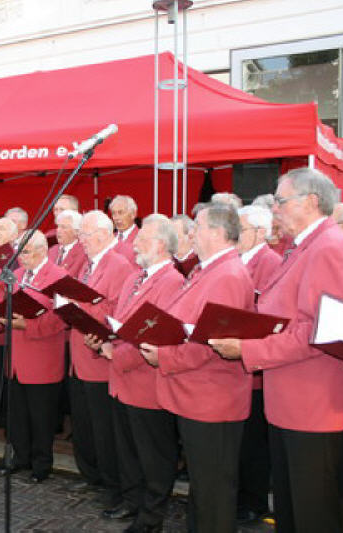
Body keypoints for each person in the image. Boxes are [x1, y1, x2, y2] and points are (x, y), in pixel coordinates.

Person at [210, 168, 343, 533]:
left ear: (310, 201)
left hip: (315, 405)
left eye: (281, 201)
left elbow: (316, 331)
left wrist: (248, 348)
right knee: (294, 509)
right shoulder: (307, 245)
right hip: (295, 400)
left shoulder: (327, 247)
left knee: (315, 513)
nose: (275, 209)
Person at [140, 203, 254, 533]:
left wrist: (165, 357)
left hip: (212, 401)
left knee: (213, 493)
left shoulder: (227, 275)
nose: (191, 234)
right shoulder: (209, 270)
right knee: (204, 490)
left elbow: (210, 343)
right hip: (197, 397)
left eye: (197, 227)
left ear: (217, 233)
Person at [92, 214, 184, 533]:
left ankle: (151, 517)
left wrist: (116, 355)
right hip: (123, 380)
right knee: (128, 450)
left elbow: (156, 335)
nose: (134, 244)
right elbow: (122, 322)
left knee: (153, 456)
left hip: (147, 383)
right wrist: (104, 338)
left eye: (142, 239)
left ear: (160, 244)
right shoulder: (135, 277)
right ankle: (132, 502)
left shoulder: (172, 281)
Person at [0, 231, 67, 483]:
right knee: (18, 414)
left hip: (42, 358)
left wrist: (28, 325)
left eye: (26, 252)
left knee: (41, 417)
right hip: (16, 357)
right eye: (19, 252)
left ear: (43, 250)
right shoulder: (17, 275)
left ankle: (41, 464)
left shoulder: (59, 276)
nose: (21, 257)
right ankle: (20, 457)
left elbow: (60, 318)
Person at [68, 210, 134, 510]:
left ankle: (113, 486)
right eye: (80, 234)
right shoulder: (88, 263)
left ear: (104, 234)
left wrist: (77, 308)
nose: (80, 239)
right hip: (80, 356)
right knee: (86, 424)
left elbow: (117, 310)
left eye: (85, 234)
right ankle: (93, 475)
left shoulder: (118, 264)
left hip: (101, 356)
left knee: (105, 429)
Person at [234, 204, 279, 524]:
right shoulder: (239, 259)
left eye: (242, 229)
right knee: (239, 442)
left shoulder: (269, 262)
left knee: (253, 443)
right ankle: (241, 495)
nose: (235, 235)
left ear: (261, 233)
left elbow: (265, 314)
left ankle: (254, 500)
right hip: (235, 364)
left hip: (254, 370)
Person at [48, 209, 87, 275]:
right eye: (58, 226)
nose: (58, 230)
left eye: (63, 227)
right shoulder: (52, 250)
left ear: (76, 231)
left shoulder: (84, 253)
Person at [109, 195, 140, 264]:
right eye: (113, 213)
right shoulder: (109, 238)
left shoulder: (142, 238)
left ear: (133, 214)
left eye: (120, 213)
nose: (116, 218)